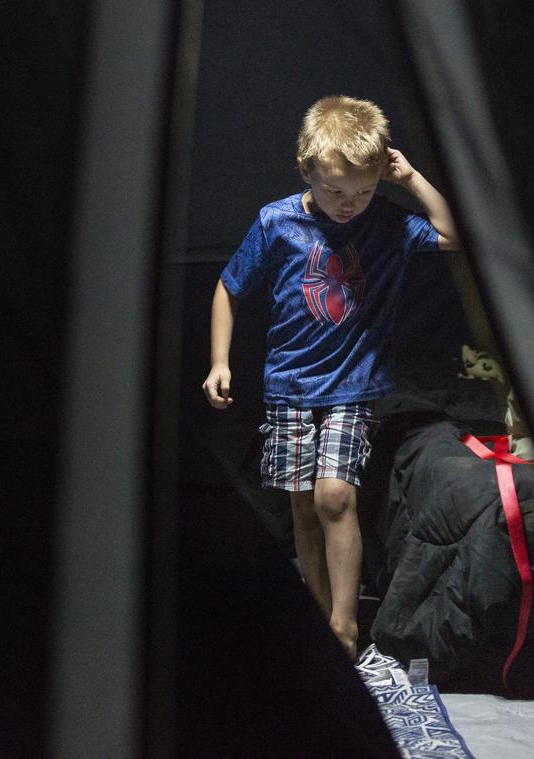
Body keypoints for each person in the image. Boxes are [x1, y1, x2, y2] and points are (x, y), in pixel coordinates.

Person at [202, 95, 459, 659]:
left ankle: (345, 628)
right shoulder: (277, 222)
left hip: (351, 384)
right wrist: (221, 361)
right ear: (306, 170)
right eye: (336, 192)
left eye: (363, 192)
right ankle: (319, 622)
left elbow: (455, 234)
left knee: (335, 496)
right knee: (302, 504)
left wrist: (410, 179)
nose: (350, 205)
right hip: (290, 384)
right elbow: (229, 287)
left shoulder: (387, 223)